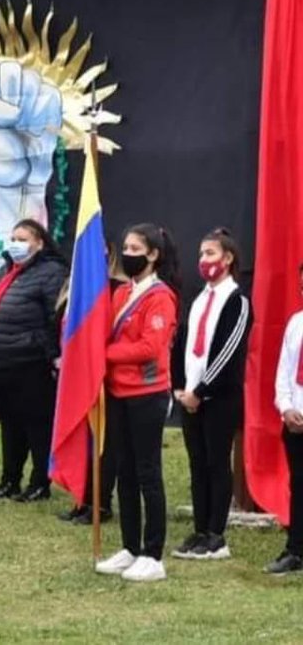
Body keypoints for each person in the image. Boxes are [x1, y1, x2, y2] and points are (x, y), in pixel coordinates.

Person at [95, 223, 180, 582]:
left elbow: (150, 347)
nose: (128, 255)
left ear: (153, 255)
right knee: (124, 472)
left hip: (147, 394)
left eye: (135, 249)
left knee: (148, 473)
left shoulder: (161, 297)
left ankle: (153, 553)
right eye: (125, 248)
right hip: (118, 393)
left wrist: (105, 353)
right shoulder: (120, 294)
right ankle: (130, 546)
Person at [0, 219, 67, 502]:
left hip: (29, 362)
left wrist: (51, 354)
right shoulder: (5, 271)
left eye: (22, 238)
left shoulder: (51, 272)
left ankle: (39, 482)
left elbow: (56, 318)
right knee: (10, 424)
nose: (15, 243)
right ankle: (9, 479)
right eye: (13, 237)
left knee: (36, 424)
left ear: (39, 242)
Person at [172, 228, 252, 561]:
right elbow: (182, 345)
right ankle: (200, 528)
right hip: (189, 395)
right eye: (202, 254)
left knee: (217, 462)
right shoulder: (200, 298)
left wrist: (201, 391)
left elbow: (227, 352)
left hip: (219, 398)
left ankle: (217, 534)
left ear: (228, 258)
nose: (203, 261)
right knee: (197, 463)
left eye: (211, 254)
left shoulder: (237, 301)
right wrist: (179, 386)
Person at [58, 240, 123, 524]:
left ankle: (100, 501)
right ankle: (81, 497)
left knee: (102, 441)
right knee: (81, 437)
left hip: (102, 375)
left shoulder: (116, 288)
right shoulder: (74, 286)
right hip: (73, 373)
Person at [268, 262, 303, 574]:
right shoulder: (296, 323)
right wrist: (286, 407)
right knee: (299, 483)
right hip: (295, 420)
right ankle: (296, 548)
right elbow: (284, 371)